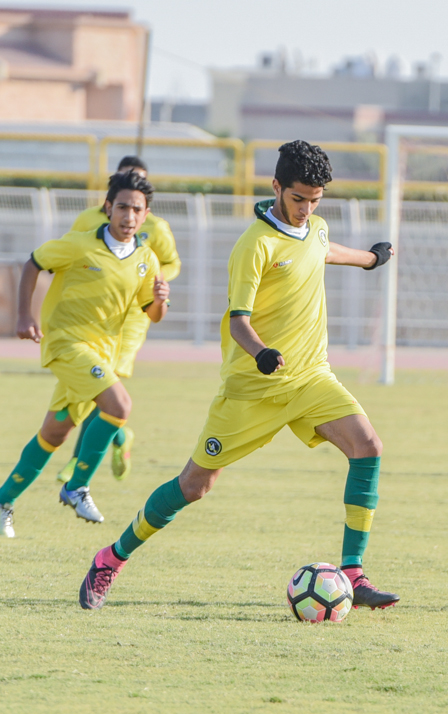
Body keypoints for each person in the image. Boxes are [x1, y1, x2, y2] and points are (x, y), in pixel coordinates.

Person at [77, 140, 399, 612]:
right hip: (251, 389)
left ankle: (353, 572)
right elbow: (237, 320)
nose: (306, 209)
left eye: (315, 200)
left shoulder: (316, 229)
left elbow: (326, 250)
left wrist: (371, 259)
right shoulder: (255, 245)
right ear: (275, 187)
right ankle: (111, 558)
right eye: (298, 199)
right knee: (194, 486)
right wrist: (262, 352)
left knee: (367, 445)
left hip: (310, 378)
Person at [0, 171, 170, 537]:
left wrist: (161, 302)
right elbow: (33, 263)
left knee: (55, 432)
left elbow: (152, 313)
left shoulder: (147, 259)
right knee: (119, 406)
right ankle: (77, 486)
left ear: (145, 215)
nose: (128, 216)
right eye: (121, 207)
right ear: (107, 208)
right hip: (67, 344)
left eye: (136, 209)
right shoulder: (79, 245)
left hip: (103, 355)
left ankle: (2, 499)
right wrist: (24, 315)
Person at [55, 156, 181, 483]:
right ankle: (120, 438)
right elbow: (70, 258)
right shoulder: (87, 219)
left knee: (107, 385)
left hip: (134, 316)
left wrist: (152, 283)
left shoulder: (156, 228)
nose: (130, 214)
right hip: (93, 315)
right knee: (95, 387)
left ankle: (77, 463)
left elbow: (171, 263)